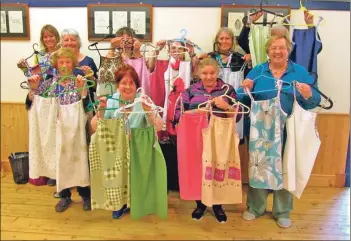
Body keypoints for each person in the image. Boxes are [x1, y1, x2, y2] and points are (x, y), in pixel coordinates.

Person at [237, 35, 321, 228]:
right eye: (273, 47)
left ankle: (282, 210)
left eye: (282, 47)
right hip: (261, 132)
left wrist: (309, 94)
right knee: (259, 166)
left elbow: (315, 99)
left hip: (288, 130)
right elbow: (242, 98)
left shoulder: (298, 72)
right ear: (267, 50)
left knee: (286, 167)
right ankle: (255, 207)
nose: (277, 51)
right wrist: (243, 88)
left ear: (288, 49)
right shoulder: (258, 71)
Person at [90, 64, 163, 219]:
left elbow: (158, 127)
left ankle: (137, 202)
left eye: (132, 83)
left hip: (139, 149)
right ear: (117, 85)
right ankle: (120, 204)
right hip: (117, 150)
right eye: (124, 83)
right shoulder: (110, 101)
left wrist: (149, 112)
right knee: (119, 178)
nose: (128, 87)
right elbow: (96, 126)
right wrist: (101, 110)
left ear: (137, 86)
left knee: (138, 177)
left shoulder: (143, 101)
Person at [174, 58, 241, 223]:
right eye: (205, 73)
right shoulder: (190, 90)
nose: (209, 76)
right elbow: (178, 114)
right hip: (196, 136)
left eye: (212, 73)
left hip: (221, 137)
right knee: (199, 169)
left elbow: (238, 116)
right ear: (198, 73)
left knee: (219, 167)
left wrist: (226, 107)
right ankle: (200, 204)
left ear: (217, 72)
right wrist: (197, 111)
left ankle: (218, 205)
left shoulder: (227, 90)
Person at [28, 47, 91, 213]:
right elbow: (35, 105)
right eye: (61, 61)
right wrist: (33, 89)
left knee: (80, 160)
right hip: (57, 130)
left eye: (68, 62)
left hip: (76, 130)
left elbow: (87, 106)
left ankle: (85, 195)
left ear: (73, 64)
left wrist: (81, 89)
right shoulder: (49, 84)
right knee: (59, 161)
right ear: (56, 64)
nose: (64, 64)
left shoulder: (78, 81)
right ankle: (64, 196)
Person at [19, 24, 61, 187]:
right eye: (45, 37)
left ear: (56, 37)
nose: (48, 39)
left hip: (58, 98)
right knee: (46, 137)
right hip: (43, 100)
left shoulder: (62, 53)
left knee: (57, 137)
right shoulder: (40, 56)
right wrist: (25, 70)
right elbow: (36, 76)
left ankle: (58, 172)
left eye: (51, 35)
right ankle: (50, 172)